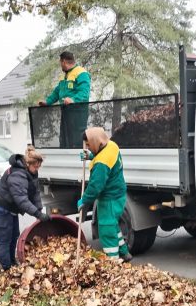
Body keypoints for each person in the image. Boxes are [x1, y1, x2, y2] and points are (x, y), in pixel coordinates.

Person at [0, 147, 49, 270]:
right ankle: (7, 268)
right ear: (28, 164)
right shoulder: (17, 175)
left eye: (39, 167)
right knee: (5, 239)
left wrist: (39, 210)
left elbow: (35, 192)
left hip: (10, 209)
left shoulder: (31, 172)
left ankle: (12, 262)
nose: (37, 169)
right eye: (36, 167)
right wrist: (37, 214)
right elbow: (22, 200)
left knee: (14, 235)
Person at [76, 127, 132, 262]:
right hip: (118, 194)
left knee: (106, 228)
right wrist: (91, 156)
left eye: (89, 144)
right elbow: (104, 154)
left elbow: (95, 186)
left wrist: (84, 200)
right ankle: (124, 252)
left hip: (109, 199)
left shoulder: (101, 163)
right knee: (113, 225)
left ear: (96, 142)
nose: (88, 148)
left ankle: (112, 262)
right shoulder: (112, 145)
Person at [38, 51, 91, 148]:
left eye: (60, 63)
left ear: (64, 62)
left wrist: (73, 100)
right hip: (66, 112)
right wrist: (47, 102)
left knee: (77, 138)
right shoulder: (64, 76)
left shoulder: (81, 73)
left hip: (78, 112)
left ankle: (79, 155)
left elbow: (84, 92)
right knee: (65, 138)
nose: (60, 66)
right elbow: (57, 92)